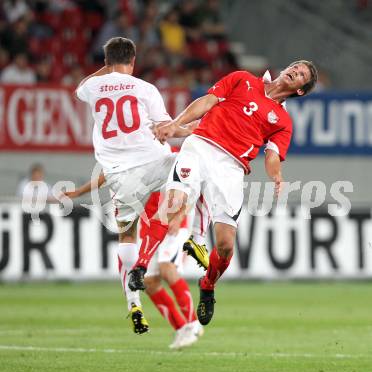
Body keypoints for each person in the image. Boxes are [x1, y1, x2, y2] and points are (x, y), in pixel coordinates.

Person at [129, 60, 318, 326]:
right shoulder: (243, 79)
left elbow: (272, 155)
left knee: (226, 245)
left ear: (300, 90)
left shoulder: (283, 121)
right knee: (172, 204)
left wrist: (276, 175)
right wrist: (176, 124)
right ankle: (140, 266)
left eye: (301, 75)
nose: (295, 71)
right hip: (200, 146)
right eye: (295, 67)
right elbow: (207, 102)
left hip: (231, 168)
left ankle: (207, 286)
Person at [75, 36, 201, 334]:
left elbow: (79, 88)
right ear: (133, 61)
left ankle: (133, 300)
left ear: (105, 63)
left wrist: (104, 72)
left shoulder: (93, 87)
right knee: (188, 173)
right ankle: (155, 254)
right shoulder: (146, 88)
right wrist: (192, 128)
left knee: (127, 235)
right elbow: (166, 128)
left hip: (118, 172)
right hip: (153, 161)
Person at [63, 174, 204, 349]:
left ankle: (193, 323)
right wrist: (78, 192)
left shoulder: (173, 156)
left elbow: (194, 188)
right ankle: (181, 327)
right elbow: (106, 174)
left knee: (166, 267)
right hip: (150, 226)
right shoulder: (135, 155)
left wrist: (180, 216)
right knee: (149, 282)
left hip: (173, 223)